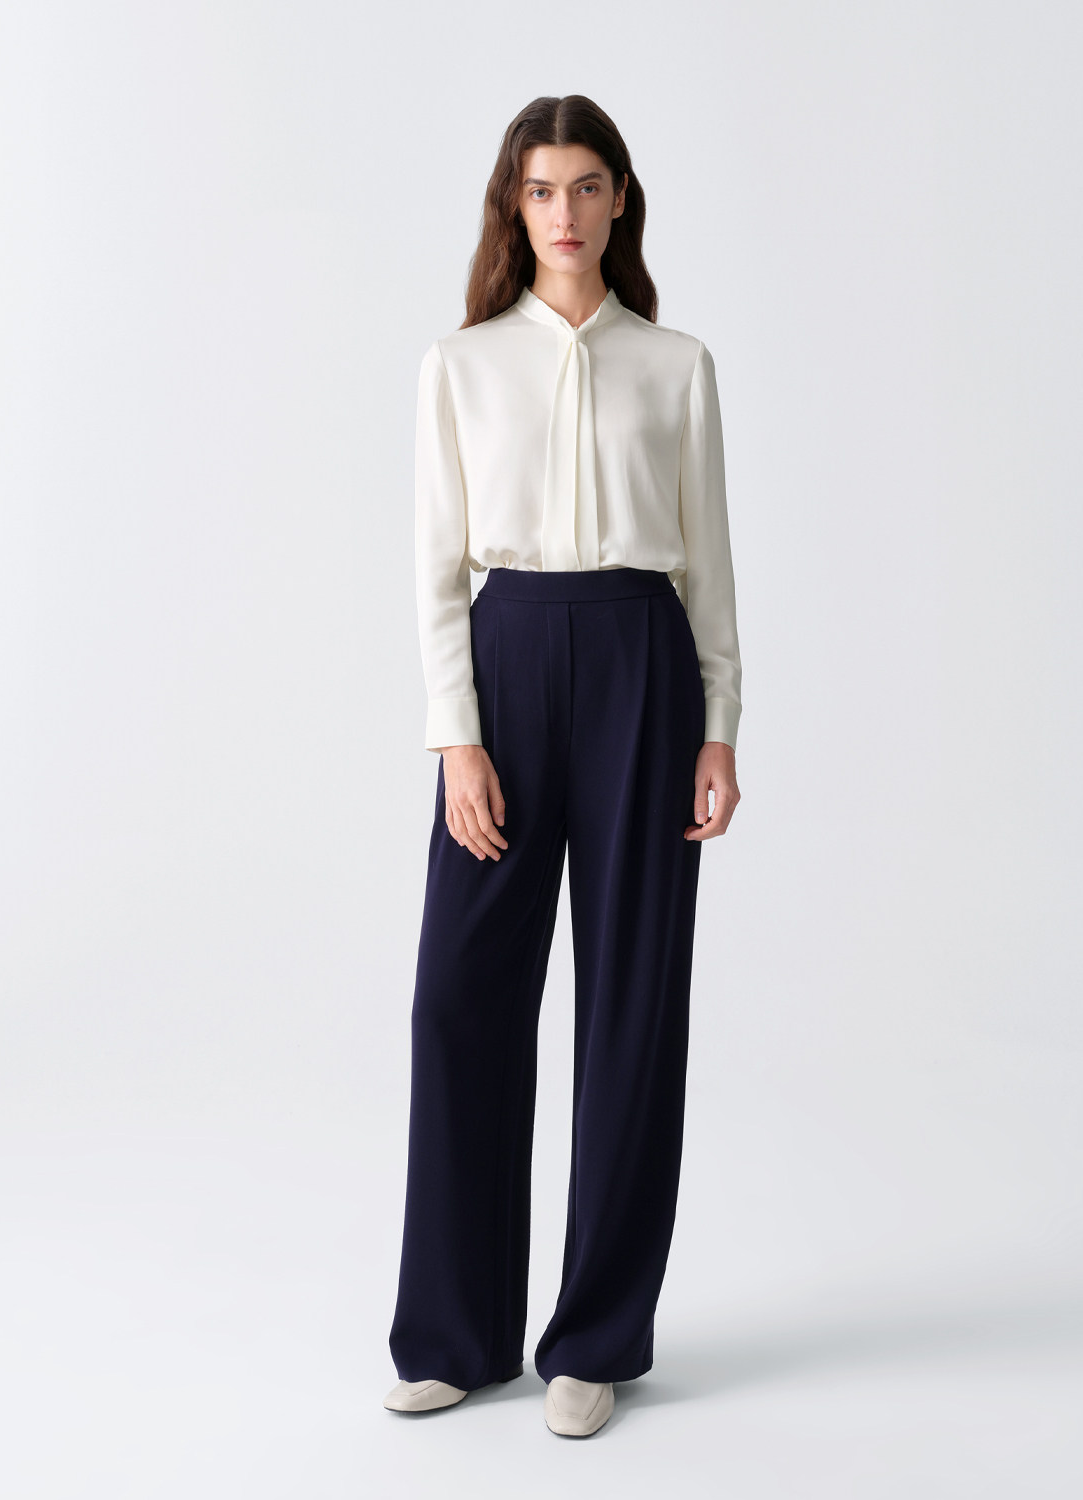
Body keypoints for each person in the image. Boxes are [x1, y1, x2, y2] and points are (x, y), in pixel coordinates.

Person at [384, 94, 743, 1439]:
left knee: (632, 1003)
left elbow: (710, 562)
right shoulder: (461, 364)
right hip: (511, 660)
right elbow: (435, 568)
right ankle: (459, 1335)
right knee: (461, 994)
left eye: (588, 186)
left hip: (646, 663)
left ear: (619, 200)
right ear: (515, 207)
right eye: (542, 190)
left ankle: (596, 1336)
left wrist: (721, 723)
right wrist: (456, 737)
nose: (567, 212)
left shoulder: (677, 366)